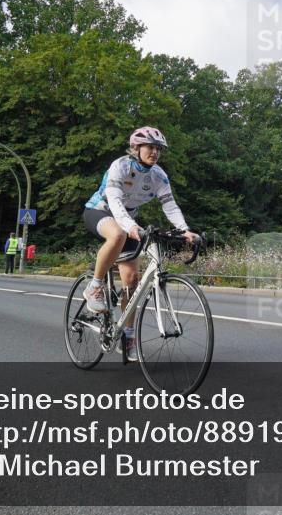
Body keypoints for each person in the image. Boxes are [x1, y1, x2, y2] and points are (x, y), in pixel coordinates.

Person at [82, 126, 198, 362]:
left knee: (131, 281)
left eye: (158, 149)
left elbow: (169, 205)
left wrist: (184, 229)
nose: (155, 152)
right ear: (136, 148)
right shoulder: (120, 166)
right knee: (117, 234)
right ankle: (94, 286)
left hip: (128, 219)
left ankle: (128, 336)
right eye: (150, 147)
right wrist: (130, 226)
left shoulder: (159, 176)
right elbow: (115, 202)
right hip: (100, 210)